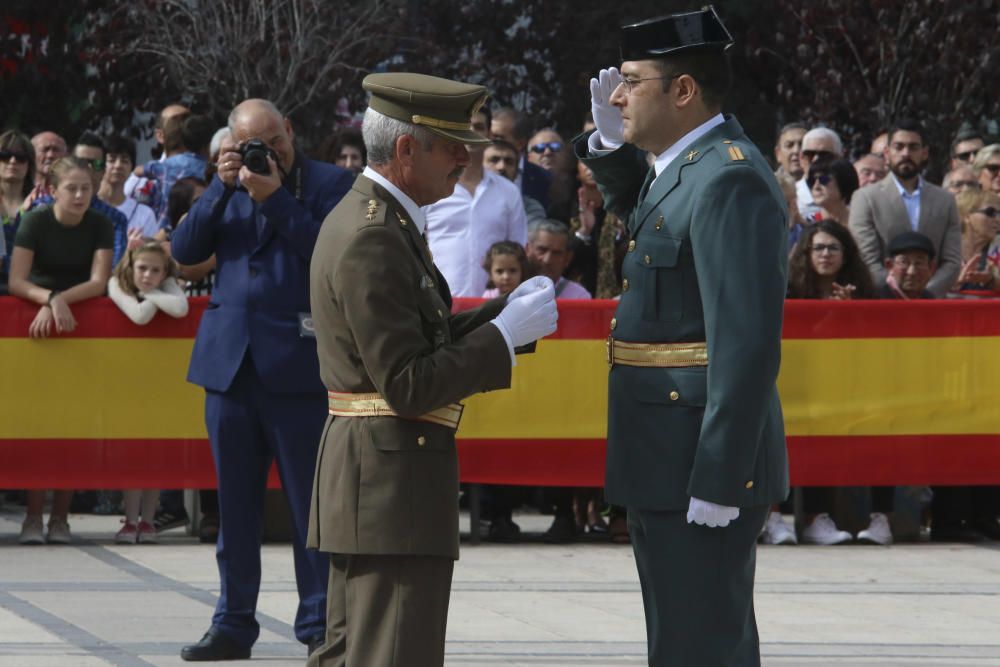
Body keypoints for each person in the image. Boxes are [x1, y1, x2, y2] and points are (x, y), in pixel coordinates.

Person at [306, 72, 557, 667]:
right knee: (392, 655)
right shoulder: (375, 236)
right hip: (390, 487)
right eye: (451, 146)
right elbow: (407, 383)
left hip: (380, 482)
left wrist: (503, 317)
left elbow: (420, 339)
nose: (465, 159)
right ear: (405, 150)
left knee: (359, 653)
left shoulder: (384, 221)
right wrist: (501, 337)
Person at [575, 8, 788, 664]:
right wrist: (611, 152)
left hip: (694, 456)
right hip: (662, 451)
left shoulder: (728, 177)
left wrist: (721, 476)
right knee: (679, 639)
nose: (616, 95)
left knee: (702, 643)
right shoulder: (689, 166)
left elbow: (745, 343)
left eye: (633, 82)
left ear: (684, 90)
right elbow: (651, 213)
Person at [170, 98, 353, 662]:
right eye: (250, 144)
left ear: (290, 132)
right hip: (229, 367)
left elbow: (331, 255)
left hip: (297, 367)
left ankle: (320, 624)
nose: (263, 152)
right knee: (235, 507)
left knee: (309, 509)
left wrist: (274, 199)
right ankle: (232, 622)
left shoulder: (331, 184)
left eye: (273, 141)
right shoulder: (225, 185)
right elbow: (184, 251)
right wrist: (223, 187)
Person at [8, 156, 114, 544]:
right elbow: (17, 280)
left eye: (86, 188)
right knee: (40, 422)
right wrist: (49, 299)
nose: (80, 195)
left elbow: (99, 281)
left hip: (82, 329)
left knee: (75, 423)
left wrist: (58, 301)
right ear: (53, 189)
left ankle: (61, 518)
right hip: (37, 331)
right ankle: (32, 518)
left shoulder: (101, 223)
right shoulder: (35, 221)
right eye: (71, 188)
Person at [107, 240, 188, 543]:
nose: (148, 275)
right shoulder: (117, 283)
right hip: (126, 380)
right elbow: (139, 316)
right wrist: (156, 296)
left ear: (165, 270)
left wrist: (152, 293)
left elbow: (180, 308)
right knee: (132, 454)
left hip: (158, 383)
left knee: (154, 453)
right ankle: (130, 520)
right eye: (142, 268)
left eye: (156, 270)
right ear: (131, 266)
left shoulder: (162, 285)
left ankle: (149, 521)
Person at [849, 119, 962, 297]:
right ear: (887, 153)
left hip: (932, 307)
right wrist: (895, 294)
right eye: (899, 147)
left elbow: (952, 261)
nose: (906, 153)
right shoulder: (865, 198)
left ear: (924, 153)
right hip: (882, 304)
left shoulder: (945, 200)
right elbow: (867, 259)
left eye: (913, 147)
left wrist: (926, 294)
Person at [424, 105, 528, 297]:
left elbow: (518, 253)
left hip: (494, 307)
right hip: (440, 304)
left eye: (479, 127)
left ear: (489, 133)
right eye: (465, 126)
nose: (471, 132)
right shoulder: (432, 188)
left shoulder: (508, 192)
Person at [99, 135, 159, 239]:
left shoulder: (145, 215)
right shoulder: (85, 207)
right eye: (112, 160)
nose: (118, 165)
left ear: (132, 167)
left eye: (125, 161)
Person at [491, 106, 552, 207]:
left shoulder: (543, 179)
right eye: (489, 136)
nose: (491, 142)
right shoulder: (475, 172)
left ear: (520, 143)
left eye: (499, 138)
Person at [0, 130, 36, 290]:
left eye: (21, 157)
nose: (13, 161)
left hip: (31, 290)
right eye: (5, 155)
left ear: (29, 164)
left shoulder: (42, 205)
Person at [525, 220, 591, 299]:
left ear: (567, 258)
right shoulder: (510, 287)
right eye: (542, 250)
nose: (547, 260)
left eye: (556, 253)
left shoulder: (579, 297)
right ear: (527, 250)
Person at [954, 189, 1000, 294]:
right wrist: (955, 282)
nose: (998, 219)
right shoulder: (946, 247)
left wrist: (991, 280)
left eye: (999, 213)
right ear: (966, 215)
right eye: (990, 212)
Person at [796, 127, 843, 219]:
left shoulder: (854, 199)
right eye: (810, 154)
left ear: (839, 159)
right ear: (801, 158)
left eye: (824, 155)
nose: (816, 159)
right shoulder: (790, 198)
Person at [805, 158, 859, 224]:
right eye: (812, 181)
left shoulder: (862, 223)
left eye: (823, 179)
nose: (816, 186)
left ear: (843, 182)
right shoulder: (807, 224)